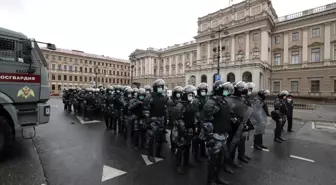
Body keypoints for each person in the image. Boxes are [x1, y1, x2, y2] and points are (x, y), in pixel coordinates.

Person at [203, 80, 232, 185]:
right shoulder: (211, 102)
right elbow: (207, 121)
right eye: (225, 89)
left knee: (220, 158)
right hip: (215, 136)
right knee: (213, 160)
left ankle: (217, 177)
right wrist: (210, 136)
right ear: (219, 89)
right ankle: (210, 180)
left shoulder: (223, 100)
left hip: (223, 134)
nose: (227, 91)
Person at [172, 85, 197, 174]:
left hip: (189, 128)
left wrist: (194, 126)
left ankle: (186, 162)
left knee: (187, 146)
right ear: (185, 95)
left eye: (192, 95)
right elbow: (178, 119)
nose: (192, 96)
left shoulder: (190, 104)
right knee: (180, 147)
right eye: (190, 95)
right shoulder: (180, 105)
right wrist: (183, 131)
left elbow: (193, 116)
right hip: (181, 130)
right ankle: (178, 165)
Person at [144, 79, 167, 163]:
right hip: (153, 121)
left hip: (161, 119)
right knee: (151, 138)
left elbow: (165, 108)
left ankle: (158, 153)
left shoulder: (163, 96)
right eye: (159, 87)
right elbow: (146, 111)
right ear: (155, 87)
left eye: (162, 87)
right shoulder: (149, 96)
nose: (161, 88)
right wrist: (148, 122)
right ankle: (150, 155)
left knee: (160, 138)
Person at [192, 82, 208, 162]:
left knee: (203, 138)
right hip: (198, 122)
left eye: (204, 90)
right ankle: (196, 155)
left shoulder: (205, 99)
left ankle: (203, 152)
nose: (203, 92)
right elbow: (196, 112)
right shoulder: (196, 100)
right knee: (196, 139)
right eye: (202, 90)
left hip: (204, 120)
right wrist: (198, 122)